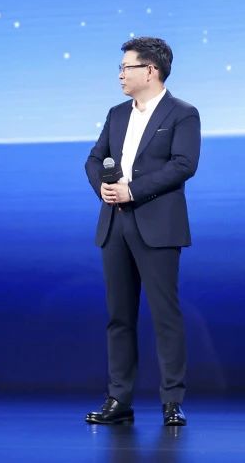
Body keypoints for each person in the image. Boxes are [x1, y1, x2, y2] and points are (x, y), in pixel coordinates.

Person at [83, 37, 200, 428]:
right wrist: (103, 187)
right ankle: (119, 398)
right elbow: (94, 159)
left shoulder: (183, 114)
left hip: (158, 225)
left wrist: (132, 190)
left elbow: (183, 165)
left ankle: (172, 401)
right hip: (115, 223)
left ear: (151, 70)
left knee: (165, 315)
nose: (120, 74)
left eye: (126, 67)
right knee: (119, 316)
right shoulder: (117, 114)